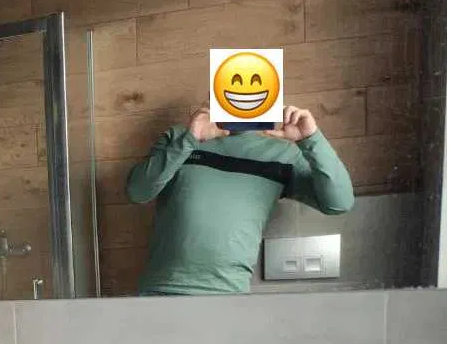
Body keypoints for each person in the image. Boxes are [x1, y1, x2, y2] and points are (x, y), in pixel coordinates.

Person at [126, 105, 354, 295]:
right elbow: (137, 192)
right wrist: (190, 139)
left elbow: (339, 203)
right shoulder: (180, 138)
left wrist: (311, 138)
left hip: (229, 295)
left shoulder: (284, 155)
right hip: (161, 292)